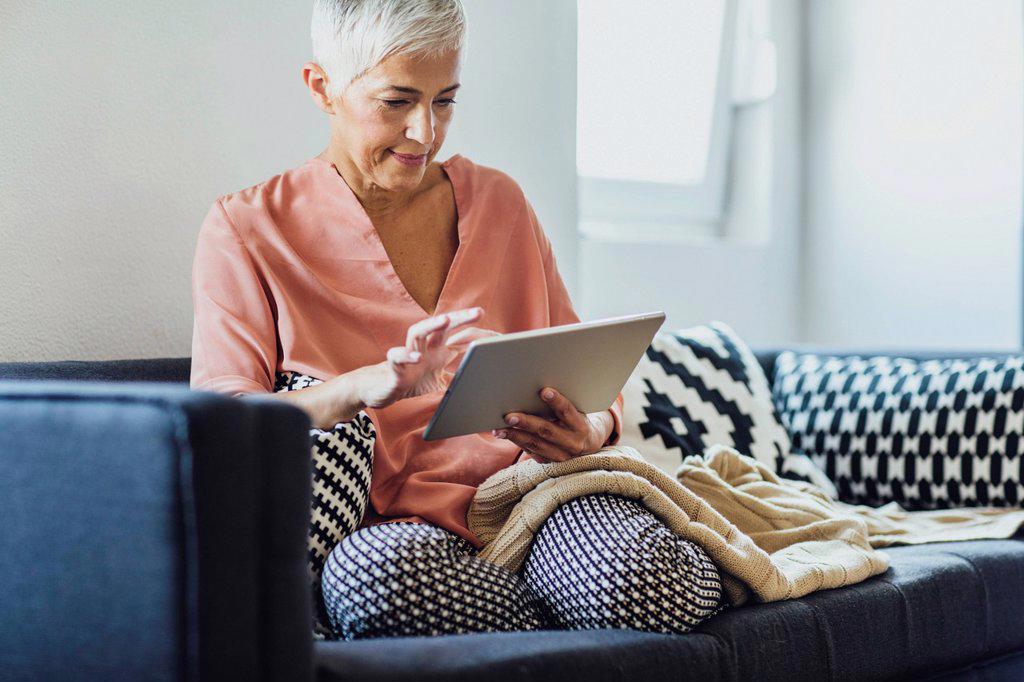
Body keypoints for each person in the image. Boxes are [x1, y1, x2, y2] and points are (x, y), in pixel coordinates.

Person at [190, 0, 725, 640]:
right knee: (369, 580)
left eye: (445, 101)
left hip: (538, 495)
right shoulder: (248, 229)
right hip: (405, 535)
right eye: (397, 102)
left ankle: (573, 601)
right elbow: (218, 421)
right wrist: (361, 388)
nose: (425, 132)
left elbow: (591, 380)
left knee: (664, 587)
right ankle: (564, 615)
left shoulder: (500, 201)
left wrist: (591, 428)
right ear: (322, 88)